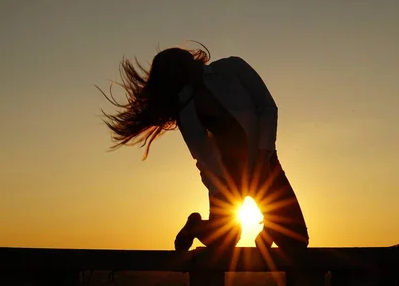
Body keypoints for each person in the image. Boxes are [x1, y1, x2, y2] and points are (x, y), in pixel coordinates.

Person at [98, 42, 309, 253]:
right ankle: (196, 226)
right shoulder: (185, 108)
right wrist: (220, 191)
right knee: (224, 244)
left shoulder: (233, 68)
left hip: (265, 161)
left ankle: (270, 228)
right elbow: (203, 157)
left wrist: (263, 158)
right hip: (227, 173)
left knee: (297, 241)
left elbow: (267, 108)